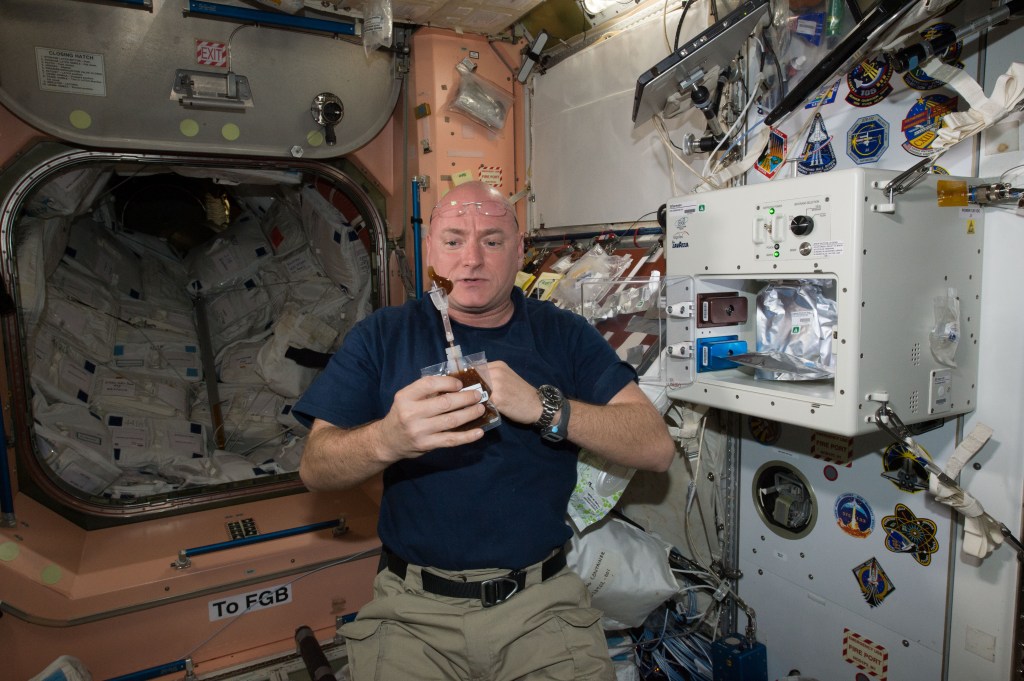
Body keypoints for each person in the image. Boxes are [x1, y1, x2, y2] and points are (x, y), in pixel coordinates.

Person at [294, 180, 675, 681]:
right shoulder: (382, 336)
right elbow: (315, 468)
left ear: (519, 251)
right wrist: (388, 438)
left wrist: (543, 406)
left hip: (541, 603)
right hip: (413, 611)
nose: (471, 260)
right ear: (430, 250)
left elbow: (656, 447)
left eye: (492, 241)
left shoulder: (563, 334)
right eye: (453, 241)